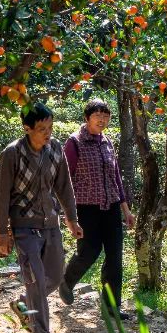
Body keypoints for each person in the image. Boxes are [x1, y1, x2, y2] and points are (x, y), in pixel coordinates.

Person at [0, 102, 83, 333]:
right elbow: (1, 196)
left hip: (51, 224)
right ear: (27, 128)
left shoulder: (55, 148)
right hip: (24, 227)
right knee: (35, 282)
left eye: (50, 127)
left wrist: (72, 219)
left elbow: (64, 186)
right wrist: (2, 232)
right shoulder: (12, 153)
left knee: (55, 277)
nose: (48, 133)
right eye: (42, 129)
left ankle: (25, 305)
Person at [59, 98, 136, 320]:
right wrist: (68, 214)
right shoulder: (74, 142)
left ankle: (111, 307)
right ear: (87, 118)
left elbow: (116, 179)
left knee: (115, 256)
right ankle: (67, 280)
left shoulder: (107, 142)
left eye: (106, 116)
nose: (102, 120)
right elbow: (66, 180)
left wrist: (126, 210)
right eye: (97, 115)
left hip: (111, 207)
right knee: (89, 251)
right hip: (86, 208)